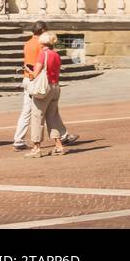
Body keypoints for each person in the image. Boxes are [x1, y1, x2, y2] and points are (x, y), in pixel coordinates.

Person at [12, 20, 76, 151]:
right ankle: (59, 138)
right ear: (42, 31)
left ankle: (62, 136)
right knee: (43, 112)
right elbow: (41, 64)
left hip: (28, 78)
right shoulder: (41, 45)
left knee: (31, 112)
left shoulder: (28, 43)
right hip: (39, 81)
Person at [24, 32, 79, 158]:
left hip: (44, 88)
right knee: (53, 117)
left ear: (42, 43)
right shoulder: (56, 55)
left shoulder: (43, 54)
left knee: (37, 117)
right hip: (55, 86)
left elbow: (35, 74)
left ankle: (36, 148)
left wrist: (28, 70)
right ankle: (58, 145)